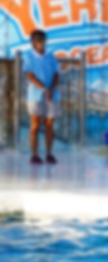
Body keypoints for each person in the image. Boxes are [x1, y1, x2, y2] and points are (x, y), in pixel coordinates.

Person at [22, 30, 60, 165]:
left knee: (49, 124)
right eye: (38, 40)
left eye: (43, 39)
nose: (41, 43)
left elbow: (56, 74)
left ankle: (49, 153)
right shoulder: (29, 57)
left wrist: (51, 88)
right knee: (35, 124)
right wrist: (44, 88)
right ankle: (34, 154)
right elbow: (30, 76)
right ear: (33, 42)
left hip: (52, 95)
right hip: (35, 95)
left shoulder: (51, 56)